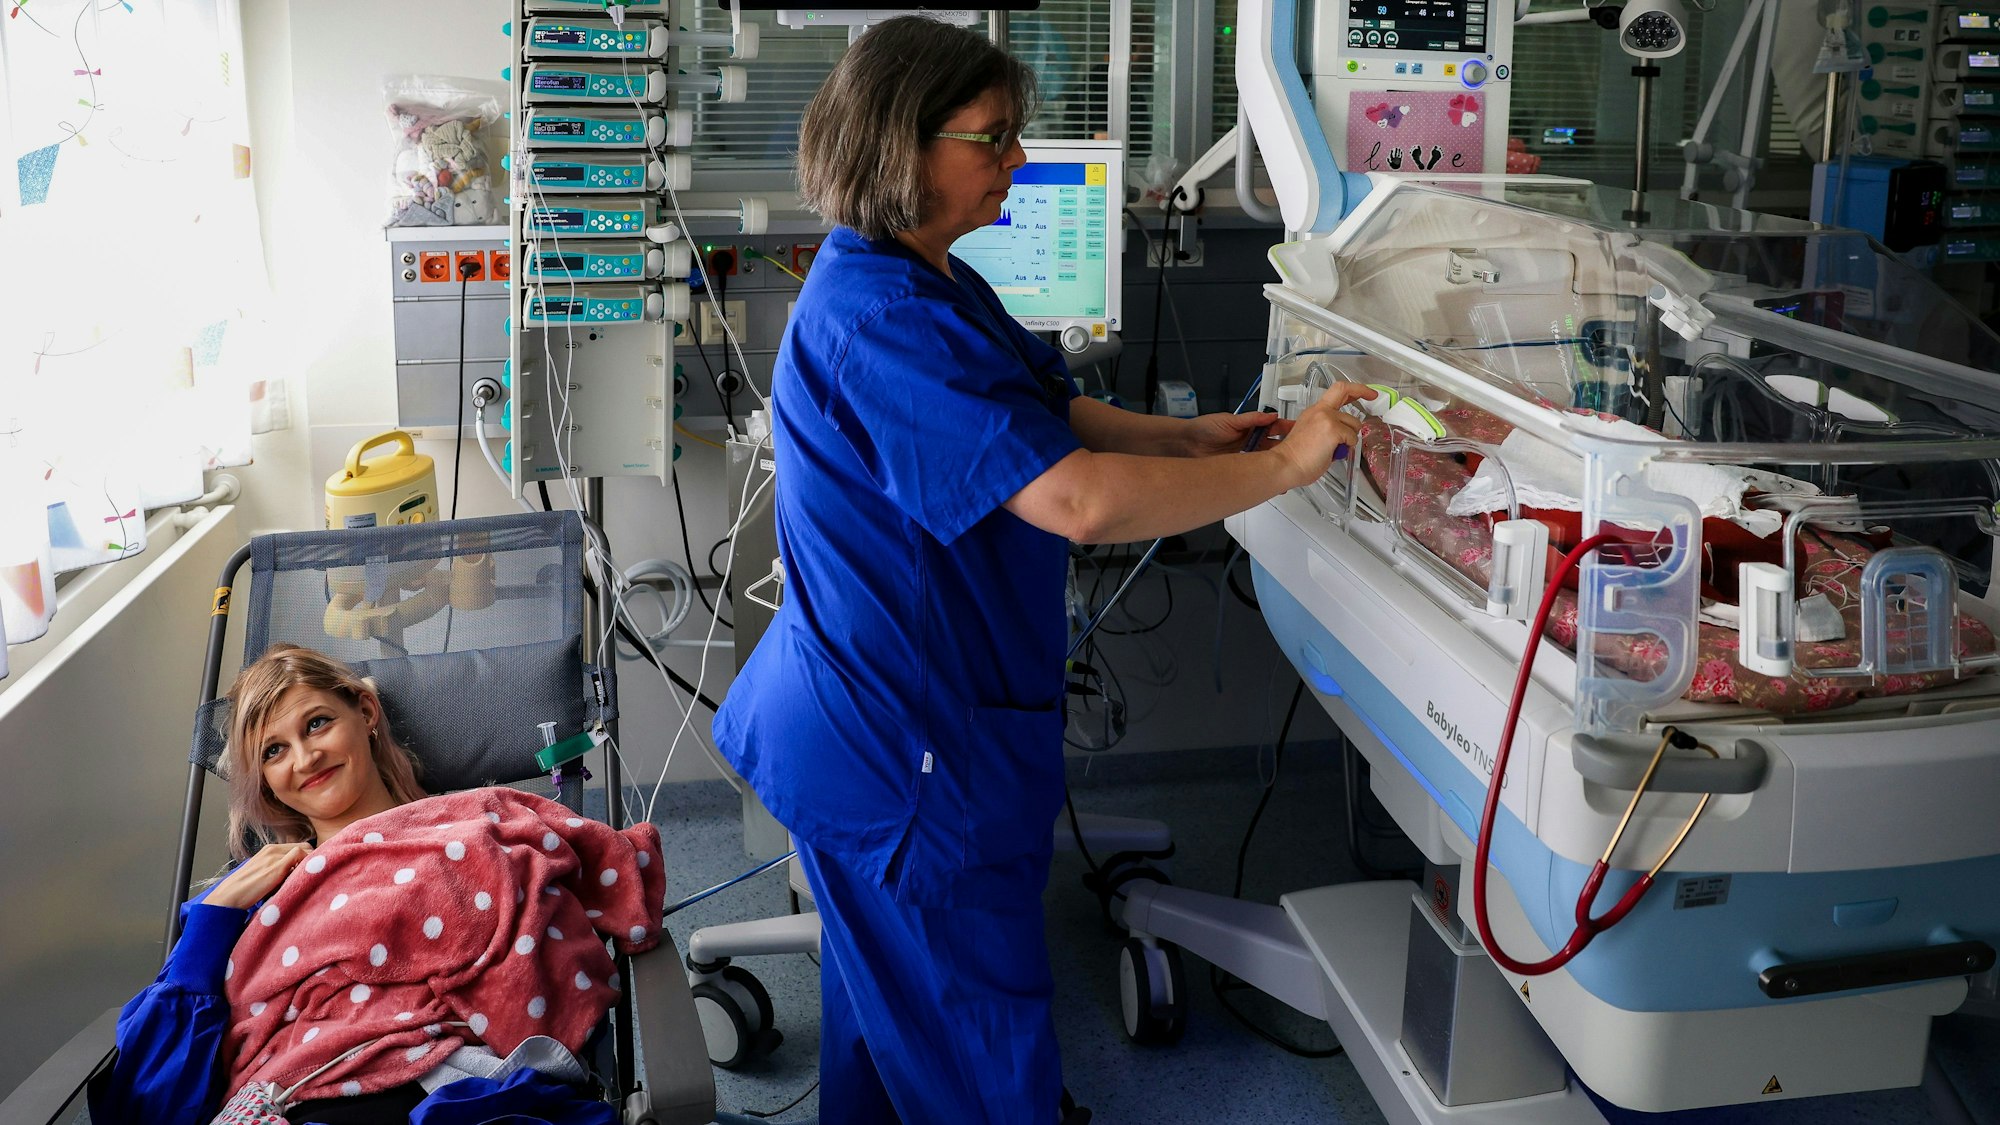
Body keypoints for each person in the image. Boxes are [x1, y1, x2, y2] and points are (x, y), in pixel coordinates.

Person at [710, 17, 1374, 1125]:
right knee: (971, 1038)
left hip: (871, 721)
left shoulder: (918, 279)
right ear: (896, 148)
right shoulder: (882, 318)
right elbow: (1074, 501)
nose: (1016, 161)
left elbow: (1048, 409)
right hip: (903, 755)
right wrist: (1287, 471)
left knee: (888, 1019)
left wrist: (1190, 438)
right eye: (992, 139)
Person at [86, 645, 707, 1125]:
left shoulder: (479, 821)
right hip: (295, 1097)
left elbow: (585, 907)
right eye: (273, 751)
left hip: (446, 1084)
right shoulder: (246, 899)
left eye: (317, 723)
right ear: (265, 782)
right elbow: (147, 1099)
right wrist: (214, 916)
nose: (304, 759)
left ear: (366, 712)